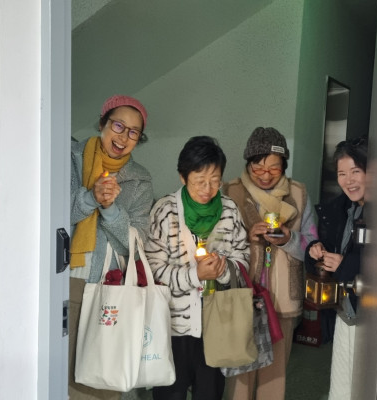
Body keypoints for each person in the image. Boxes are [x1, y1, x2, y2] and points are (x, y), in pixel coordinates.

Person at [144, 136, 250, 400]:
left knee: (209, 392)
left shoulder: (229, 210)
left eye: (215, 180)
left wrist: (224, 270)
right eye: (199, 181)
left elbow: (243, 258)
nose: (208, 189)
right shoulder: (165, 210)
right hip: (172, 326)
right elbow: (153, 269)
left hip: (216, 324)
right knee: (170, 393)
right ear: (183, 177)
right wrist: (195, 275)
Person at [68, 95, 154, 399]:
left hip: (111, 288)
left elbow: (137, 243)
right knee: (61, 376)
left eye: (133, 132)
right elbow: (52, 218)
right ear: (103, 123)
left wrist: (110, 209)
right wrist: (91, 197)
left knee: (101, 381)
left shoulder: (140, 180)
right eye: (118, 126)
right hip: (69, 281)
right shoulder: (70, 158)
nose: (123, 137)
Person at [222, 127, 318, 400]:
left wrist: (289, 239)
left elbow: (313, 245)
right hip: (242, 293)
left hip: (283, 298)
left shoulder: (298, 193)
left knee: (275, 375)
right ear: (248, 164)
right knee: (240, 374)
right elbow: (216, 242)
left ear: (284, 166)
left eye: (274, 168)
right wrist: (247, 237)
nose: (265, 175)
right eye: (258, 167)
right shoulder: (230, 191)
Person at [304, 136, 368, 400]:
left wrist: (345, 265)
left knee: (366, 385)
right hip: (345, 311)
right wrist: (315, 250)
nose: (349, 180)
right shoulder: (342, 209)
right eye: (342, 174)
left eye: (356, 171)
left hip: (370, 315)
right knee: (342, 386)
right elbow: (327, 248)